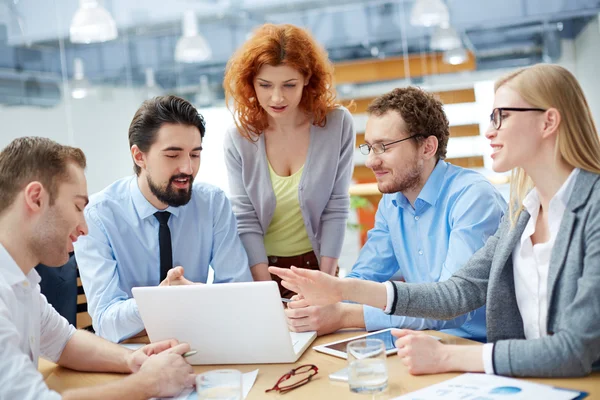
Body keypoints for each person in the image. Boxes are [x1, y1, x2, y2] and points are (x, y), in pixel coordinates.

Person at [270, 64, 600, 378]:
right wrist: (339, 289)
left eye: (502, 117)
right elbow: (452, 295)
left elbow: (574, 349)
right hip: (524, 376)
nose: (489, 131)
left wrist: (445, 356)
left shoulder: (589, 207)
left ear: (548, 122)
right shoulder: (522, 213)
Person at [282, 87, 506, 340]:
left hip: (475, 347)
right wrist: (322, 301)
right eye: (369, 147)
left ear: (427, 148)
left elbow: (453, 307)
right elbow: (366, 275)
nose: (370, 162)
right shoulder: (392, 203)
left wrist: (345, 314)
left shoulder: (473, 197)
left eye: (384, 147)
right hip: (421, 341)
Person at [0, 137, 195, 399]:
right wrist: (150, 382)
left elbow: (65, 341)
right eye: (78, 206)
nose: (84, 228)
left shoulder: (21, 282)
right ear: (36, 198)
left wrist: (134, 360)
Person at [74, 96, 252, 343]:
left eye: (195, 154)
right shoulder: (97, 215)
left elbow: (239, 295)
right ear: (139, 156)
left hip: (201, 341)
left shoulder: (212, 203)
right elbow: (106, 323)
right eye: (173, 155)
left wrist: (196, 297)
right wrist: (162, 300)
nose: (188, 168)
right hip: (132, 353)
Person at [222, 23, 355, 297]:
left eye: (289, 85)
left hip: (318, 268)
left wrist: (324, 281)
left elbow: (336, 206)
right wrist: (265, 289)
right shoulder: (239, 139)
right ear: (251, 83)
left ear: (307, 78)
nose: (277, 97)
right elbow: (245, 219)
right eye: (265, 85)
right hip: (262, 272)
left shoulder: (337, 125)